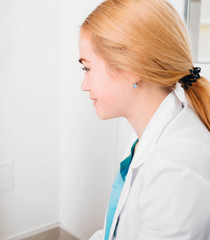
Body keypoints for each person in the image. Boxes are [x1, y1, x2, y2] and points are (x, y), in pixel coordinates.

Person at [78, 0, 210, 239]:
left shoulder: (176, 169)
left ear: (132, 67)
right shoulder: (150, 133)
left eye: (87, 69)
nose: (83, 85)